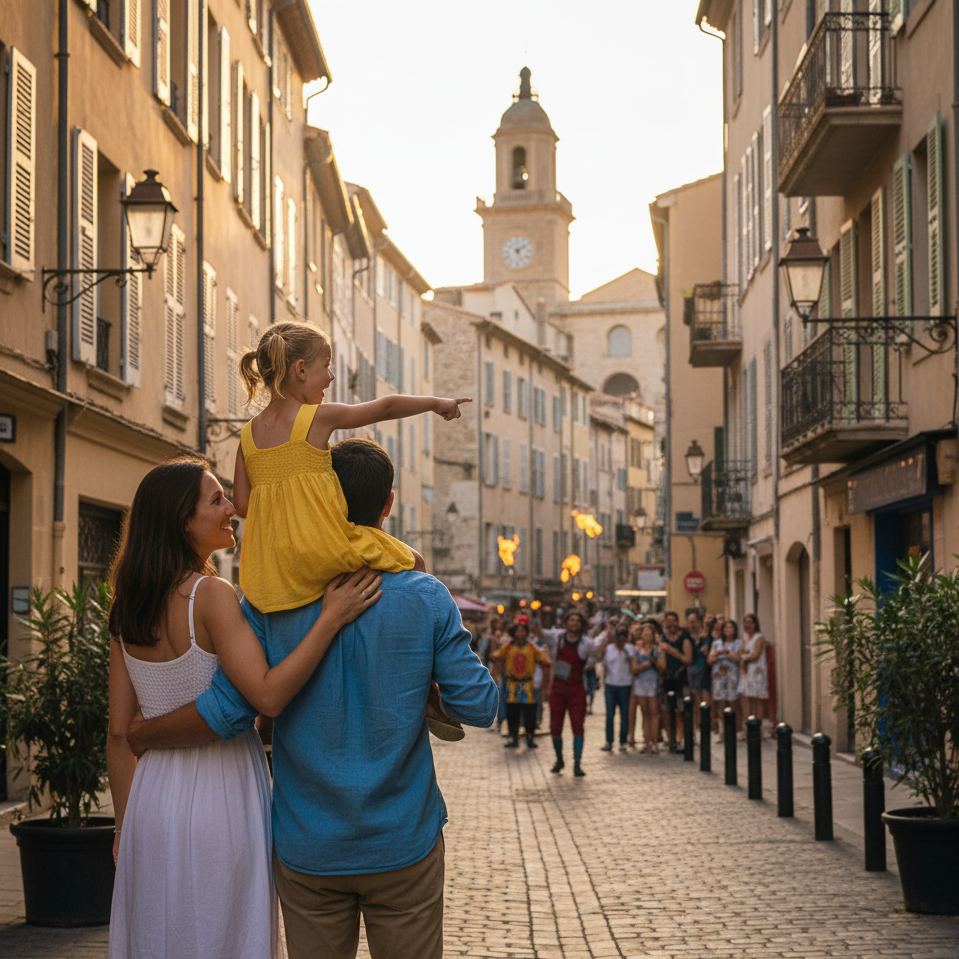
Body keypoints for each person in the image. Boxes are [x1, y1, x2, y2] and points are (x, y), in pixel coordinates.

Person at [127, 438, 499, 959]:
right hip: (402, 839)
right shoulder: (425, 595)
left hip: (308, 844)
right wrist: (428, 691)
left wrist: (142, 733)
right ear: (388, 504)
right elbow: (480, 705)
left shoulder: (271, 602)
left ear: (317, 498)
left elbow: (228, 710)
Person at [107, 457, 382, 959]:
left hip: (149, 802)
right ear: (181, 522)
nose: (232, 507)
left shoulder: (128, 605)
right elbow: (268, 695)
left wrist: (126, 827)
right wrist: (330, 619)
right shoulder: (211, 595)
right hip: (221, 792)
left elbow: (120, 734)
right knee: (224, 934)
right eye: (216, 500)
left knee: (159, 935)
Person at [234, 321, 469, 739]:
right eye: (327, 367)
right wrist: (437, 402)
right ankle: (429, 687)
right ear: (301, 369)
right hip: (326, 548)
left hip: (274, 568)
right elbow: (383, 408)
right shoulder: (314, 419)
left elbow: (243, 504)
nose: (331, 378)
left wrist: (283, 508)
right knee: (415, 563)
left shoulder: (249, 436)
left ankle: (271, 718)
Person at [542, 610, 602, 776]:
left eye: (577, 621)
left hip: (576, 688)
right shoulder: (557, 638)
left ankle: (577, 764)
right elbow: (540, 633)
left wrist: (588, 665)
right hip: (558, 687)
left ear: (582, 624)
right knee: (555, 726)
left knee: (578, 726)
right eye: (571, 620)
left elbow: (597, 655)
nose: (574, 623)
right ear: (566, 622)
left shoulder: (586, 643)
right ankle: (559, 759)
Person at [492, 619, 551, 749]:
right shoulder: (508, 647)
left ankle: (530, 737)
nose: (520, 634)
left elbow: (545, 662)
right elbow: (496, 657)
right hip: (512, 684)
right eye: (518, 631)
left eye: (523, 631)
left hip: (528, 685)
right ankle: (514, 737)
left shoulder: (532, 647)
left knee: (530, 712)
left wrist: (545, 683)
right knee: (513, 712)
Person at [630, 620, 665, 753]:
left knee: (654, 713)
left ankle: (654, 740)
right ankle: (646, 741)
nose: (647, 636)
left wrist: (653, 662)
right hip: (640, 684)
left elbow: (662, 666)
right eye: (644, 634)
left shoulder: (657, 649)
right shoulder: (637, 650)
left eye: (649, 634)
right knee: (644, 713)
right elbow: (634, 668)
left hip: (653, 683)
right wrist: (644, 665)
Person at [659, 610, 694, 747]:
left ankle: (680, 738)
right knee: (666, 710)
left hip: (680, 677)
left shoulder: (684, 639)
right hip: (666, 678)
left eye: (673, 621)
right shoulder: (662, 639)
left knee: (681, 709)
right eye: (668, 622)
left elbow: (688, 660)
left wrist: (672, 651)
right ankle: (670, 737)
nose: (670, 624)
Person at [599, 626, 634, 752]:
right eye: (618, 637)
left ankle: (623, 741)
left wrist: (625, 651)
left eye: (623, 637)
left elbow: (633, 665)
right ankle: (609, 741)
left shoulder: (630, 649)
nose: (620, 640)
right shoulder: (609, 649)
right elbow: (603, 662)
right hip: (611, 684)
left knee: (624, 714)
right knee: (609, 714)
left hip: (626, 685)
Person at [708, 618, 742, 741]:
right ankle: (722, 730)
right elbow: (710, 660)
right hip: (719, 675)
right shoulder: (716, 643)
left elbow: (739, 658)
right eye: (726, 628)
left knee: (733, 701)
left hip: (732, 674)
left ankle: (734, 729)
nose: (728, 630)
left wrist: (727, 653)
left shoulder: (739, 642)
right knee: (720, 701)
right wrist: (717, 654)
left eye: (730, 628)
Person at [739, 613, 769, 735]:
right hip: (746, 672)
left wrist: (745, 657)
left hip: (757, 672)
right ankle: (747, 728)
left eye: (750, 622)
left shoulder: (759, 637)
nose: (747, 625)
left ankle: (758, 729)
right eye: (745, 622)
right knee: (745, 697)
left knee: (757, 699)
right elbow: (740, 651)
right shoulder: (744, 637)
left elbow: (755, 654)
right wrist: (744, 656)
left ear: (755, 624)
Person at [684, 610, 712, 725]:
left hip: (703, 669)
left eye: (694, 622)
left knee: (704, 695)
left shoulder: (705, 638)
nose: (692, 625)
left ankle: (705, 721)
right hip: (690, 670)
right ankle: (696, 722)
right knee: (694, 696)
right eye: (690, 622)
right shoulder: (685, 638)